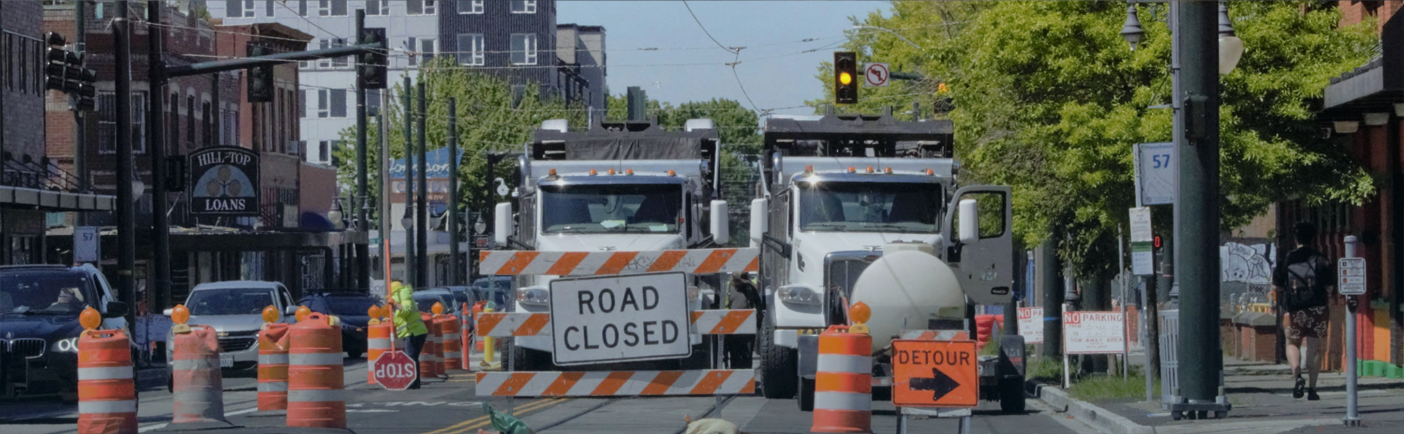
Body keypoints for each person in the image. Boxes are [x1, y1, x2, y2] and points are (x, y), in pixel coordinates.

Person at [1272, 222, 1333, 401]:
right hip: (1318, 308)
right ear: (1313, 238)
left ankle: (1298, 376)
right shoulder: (1321, 259)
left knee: (1292, 343)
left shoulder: (1286, 259)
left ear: (1296, 237)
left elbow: (1276, 286)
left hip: (1293, 309)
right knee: (1315, 348)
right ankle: (1313, 389)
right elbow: (1329, 288)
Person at [389, 281, 429, 389]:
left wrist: (395, 304)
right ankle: (414, 382)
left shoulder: (404, 299)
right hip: (413, 331)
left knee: (410, 358)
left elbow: (406, 311)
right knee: (412, 358)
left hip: (413, 332)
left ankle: (413, 383)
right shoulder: (404, 299)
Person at [724, 273, 762, 369]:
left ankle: (747, 379)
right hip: (732, 329)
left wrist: (758, 322)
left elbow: (759, 305)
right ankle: (735, 379)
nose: (742, 284)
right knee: (734, 355)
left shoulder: (750, 289)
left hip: (747, 329)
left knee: (747, 356)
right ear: (735, 280)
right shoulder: (726, 289)